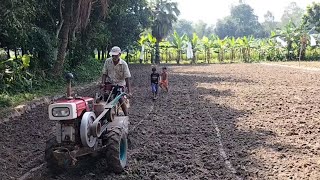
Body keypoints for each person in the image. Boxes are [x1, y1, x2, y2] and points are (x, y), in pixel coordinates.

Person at [101, 46, 131, 115]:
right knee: (106, 95)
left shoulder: (123, 64)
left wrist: (129, 91)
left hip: (120, 84)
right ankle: (107, 113)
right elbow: (104, 73)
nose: (114, 57)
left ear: (119, 54)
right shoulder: (108, 61)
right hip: (110, 82)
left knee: (120, 98)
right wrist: (102, 83)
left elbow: (127, 78)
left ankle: (126, 114)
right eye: (113, 55)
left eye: (116, 55)